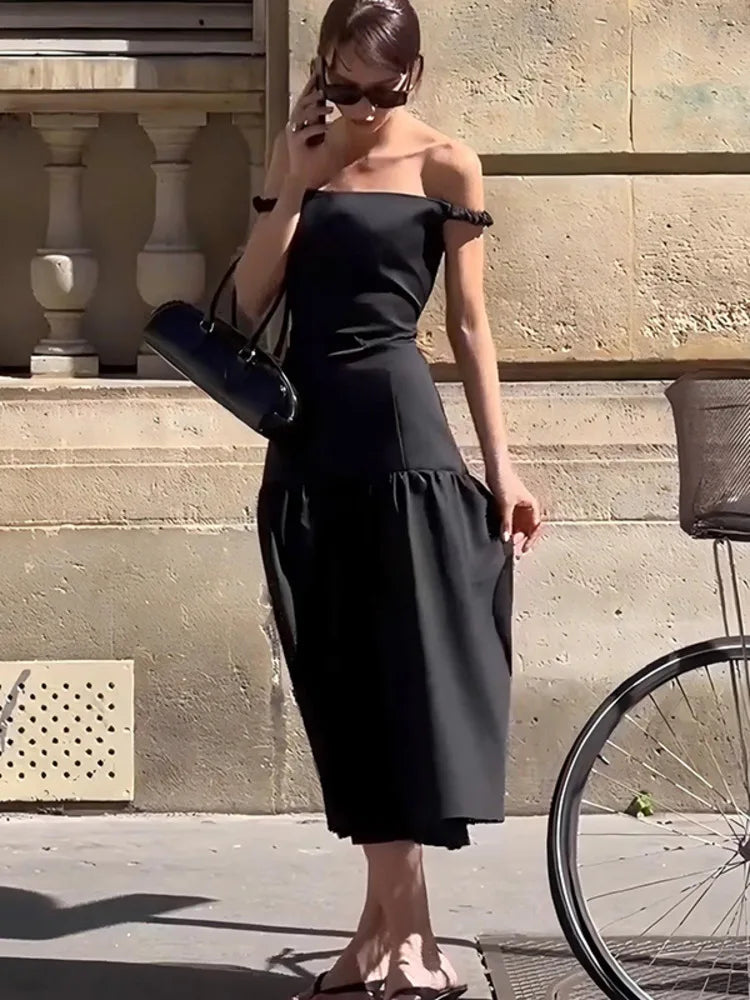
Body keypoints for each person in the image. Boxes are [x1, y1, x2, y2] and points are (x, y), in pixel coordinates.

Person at [236, 1, 542, 998]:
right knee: (342, 682)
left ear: (415, 74)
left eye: (383, 90)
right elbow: (249, 301)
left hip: (401, 438)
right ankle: (390, 942)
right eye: (345, 86)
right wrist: (292, 181)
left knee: (402, 678)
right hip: (307, 444)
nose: (363, 109)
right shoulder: (303, 155)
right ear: (323, 67)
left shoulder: (448, 165)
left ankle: (404, 945)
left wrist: (503, 467)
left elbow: (471, 327)